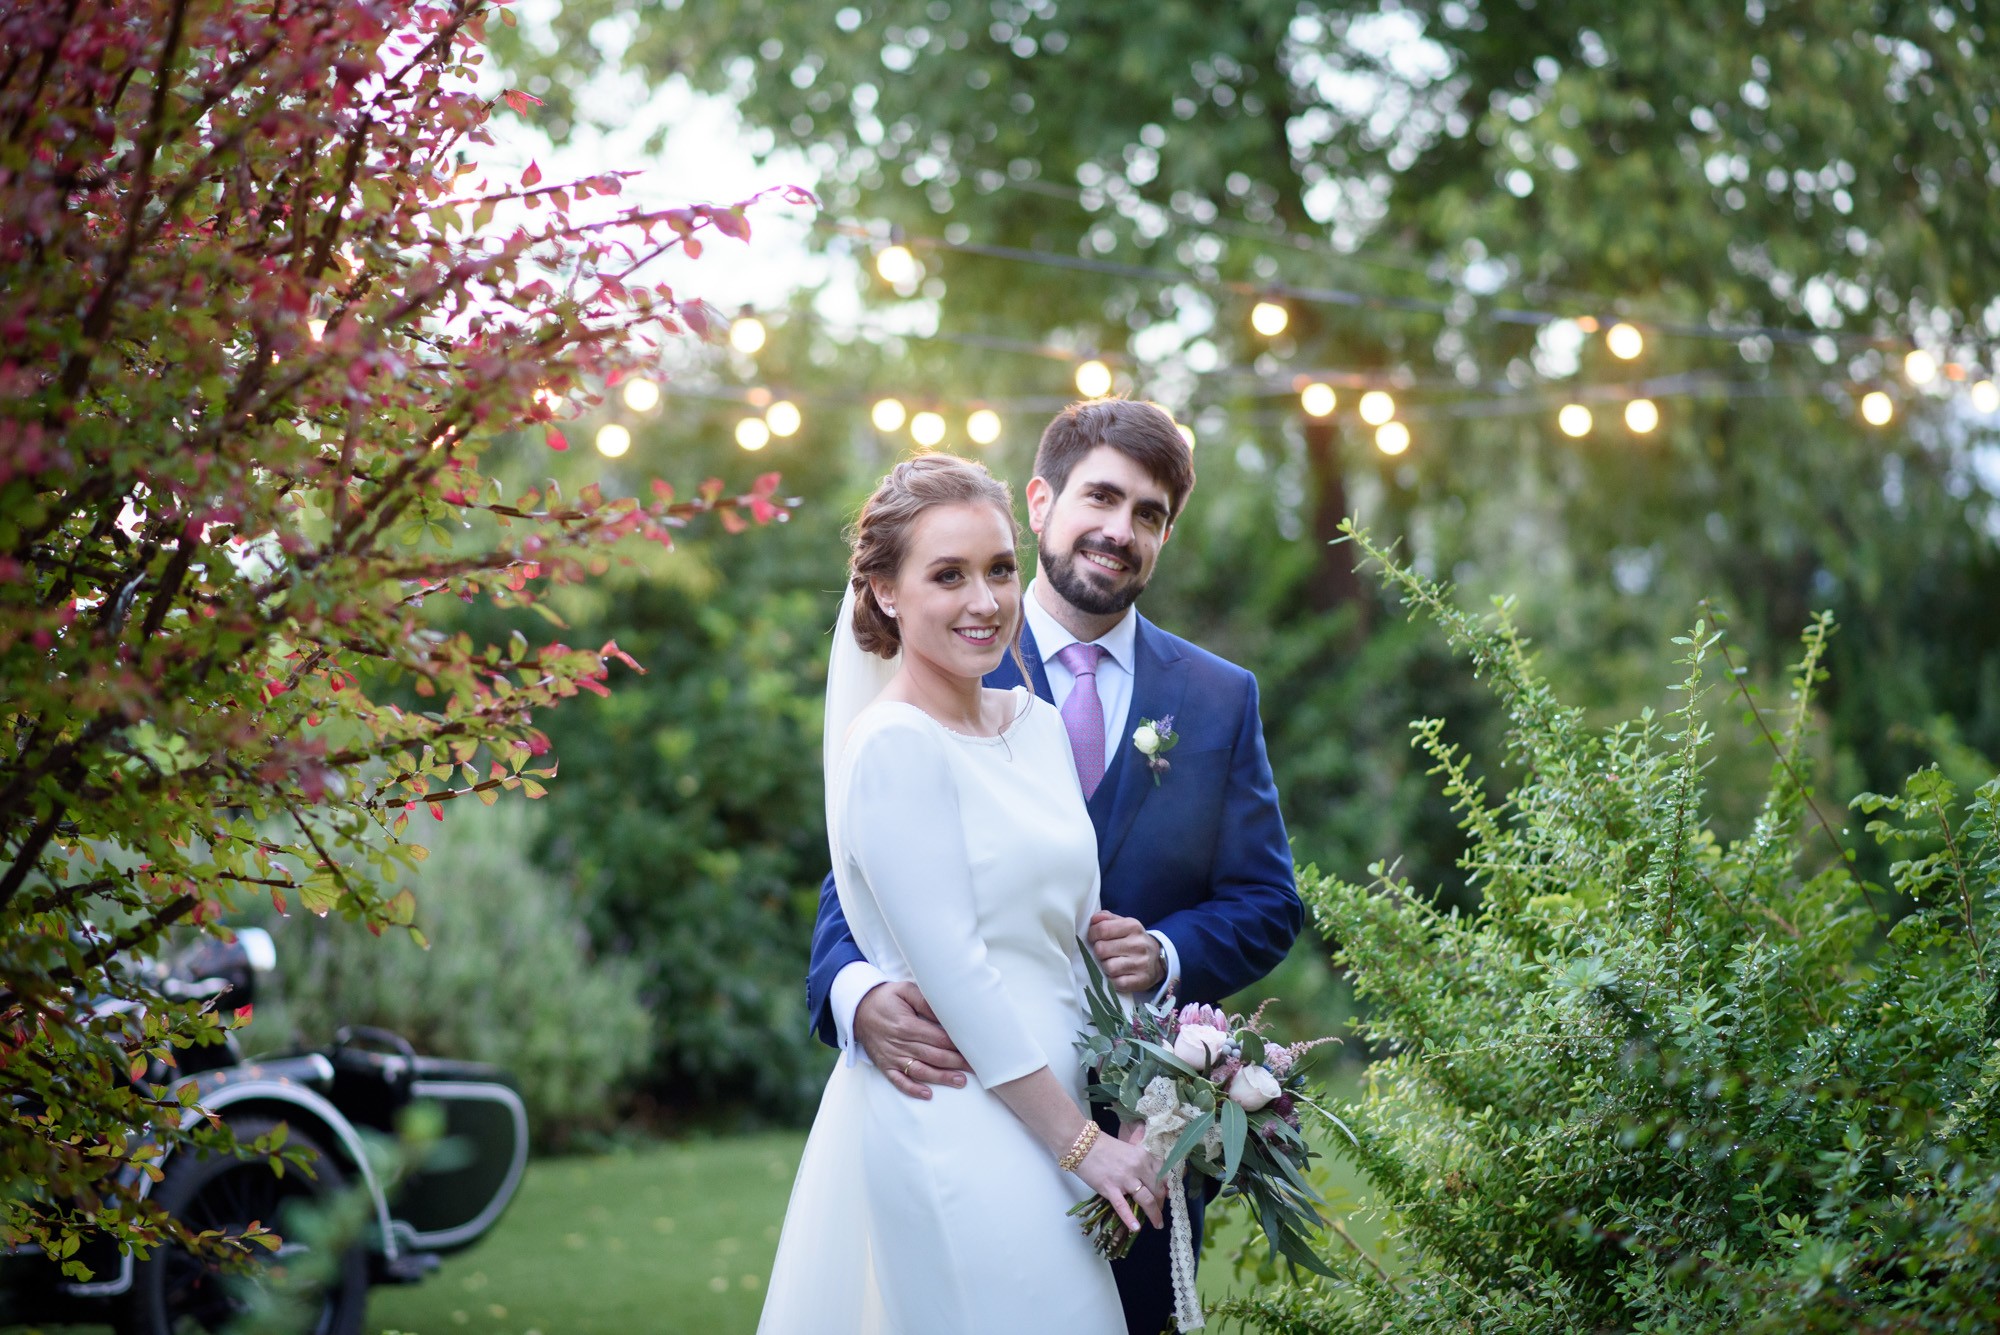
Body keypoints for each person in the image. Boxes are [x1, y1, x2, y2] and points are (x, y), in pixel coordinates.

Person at [807, 399, 1305, 1335]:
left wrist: (1162, 952)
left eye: (1149, 514)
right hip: (963, 1092)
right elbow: (861, 878)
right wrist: (855, 990)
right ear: (1042, 501)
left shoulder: (1214, 696)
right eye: (1102, 497)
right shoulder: (951, 656)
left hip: (1139, 1128)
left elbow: (1269, 901)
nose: (1120, 530)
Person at [760, 453, 1162, 1334]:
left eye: (999, 569)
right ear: (886, 593)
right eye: (948, 575)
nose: (984, 600)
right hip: (960, 1121)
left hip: (1059, 1122)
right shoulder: (892, 747)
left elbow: (1079, 946)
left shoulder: (1039, 725)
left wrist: (1140, 1112)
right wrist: (1083, 1145)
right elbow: (958, 975)